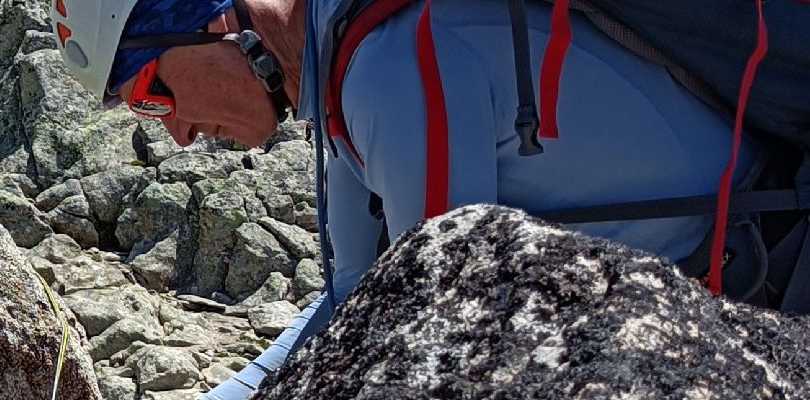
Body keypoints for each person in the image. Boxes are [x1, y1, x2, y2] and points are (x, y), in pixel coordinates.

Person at [50, 0, 765, 397]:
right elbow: (354, 304)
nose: (173, 132)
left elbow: (444, 329)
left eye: (151, 91)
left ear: (209, 24)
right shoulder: (342, 73)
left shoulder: (389, 67)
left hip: (763, 272)